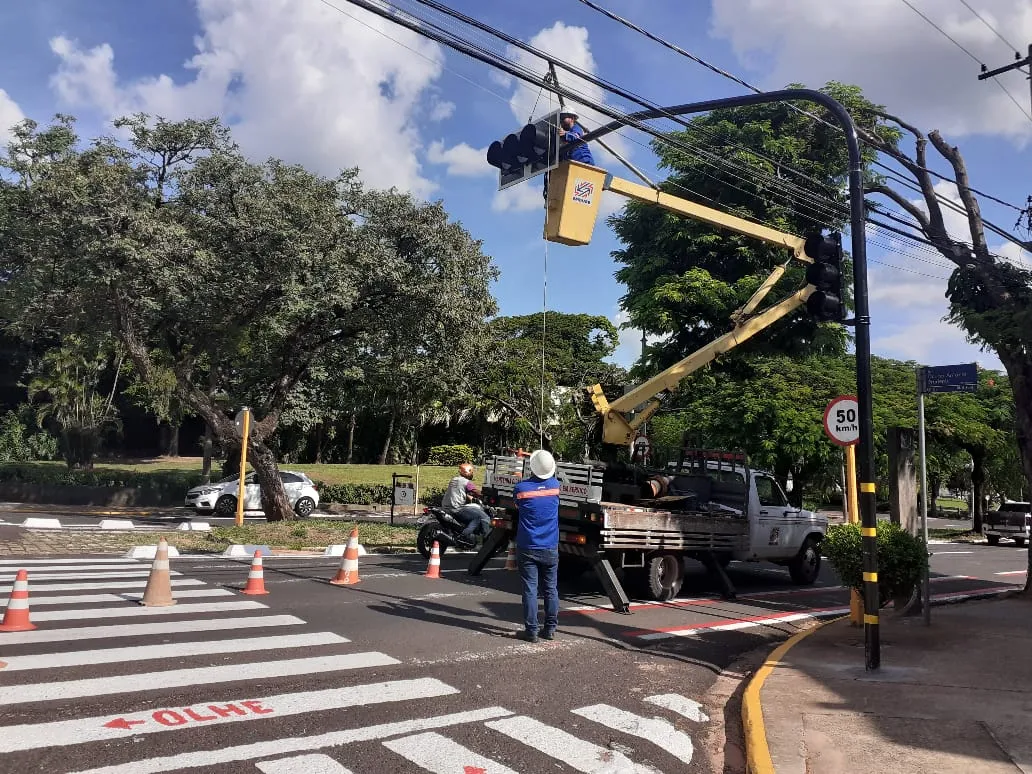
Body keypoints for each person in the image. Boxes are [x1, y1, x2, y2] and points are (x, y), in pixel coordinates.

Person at [513, 449, 561, 643]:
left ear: (531, 466)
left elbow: (517, 506)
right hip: (550, 546)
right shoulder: (555, 486)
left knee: (530, 589)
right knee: (551, 589)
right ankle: (550, 629)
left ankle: (531, 631)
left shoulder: (521, 489)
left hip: (527, 545)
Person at [441, 463, 491, 545]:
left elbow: (458, 492)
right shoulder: (466, 482)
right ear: (468, 472)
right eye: (471, 472)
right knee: (478, 517)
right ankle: (464, 535)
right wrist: (485, 495)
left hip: (445, 506)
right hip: (456, 508)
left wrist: (468, 497)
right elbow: (474, 491)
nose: (472, 474)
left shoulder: (454, 479)